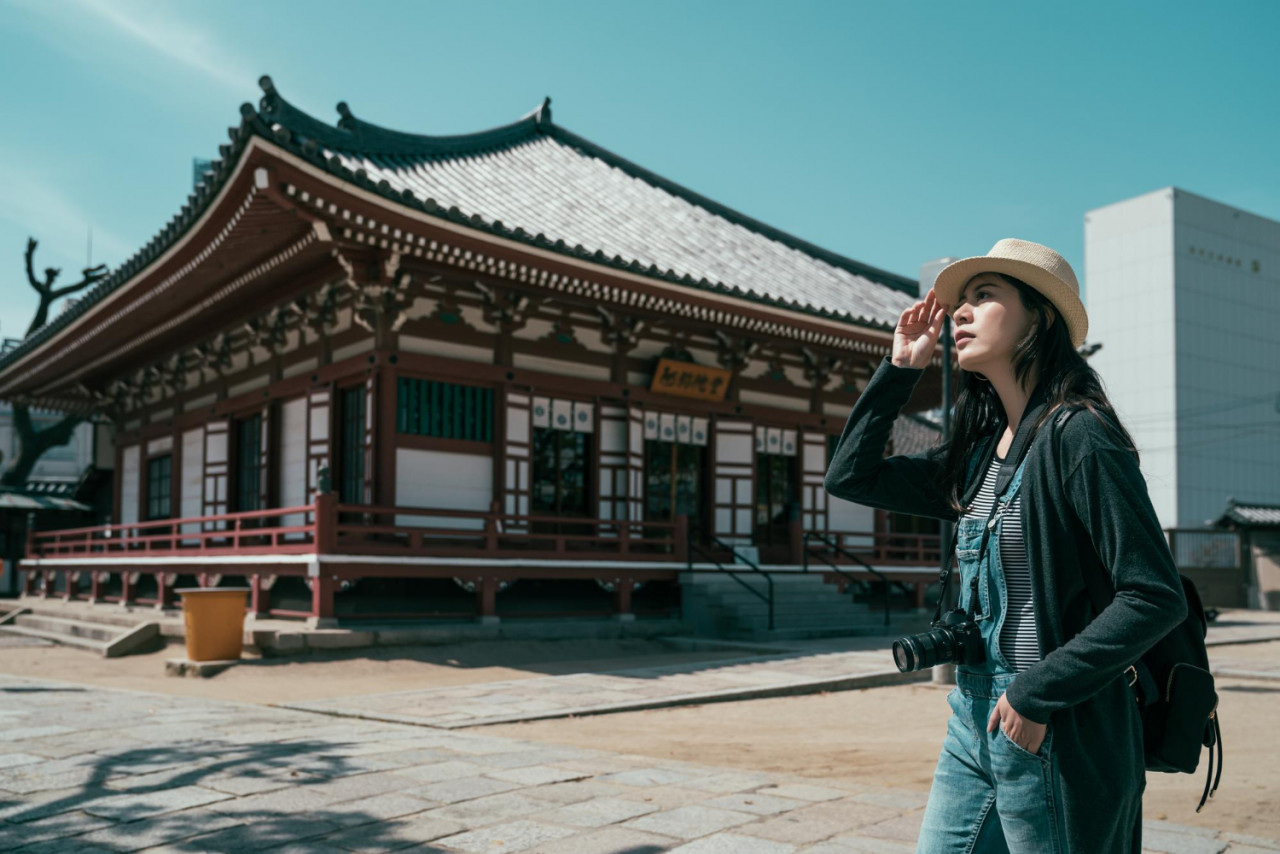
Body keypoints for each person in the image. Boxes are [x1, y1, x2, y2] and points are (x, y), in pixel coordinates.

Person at [824, 239, 1187, 853]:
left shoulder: (1081, 437)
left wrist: (1035, 691)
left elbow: (1153, 594)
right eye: (960, 301)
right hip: (970, 717)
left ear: (1037, 318)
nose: (959, 313)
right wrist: (900, 372)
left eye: (983, 296)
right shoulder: (976, 456)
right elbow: (851, 477)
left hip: (1054, 719)